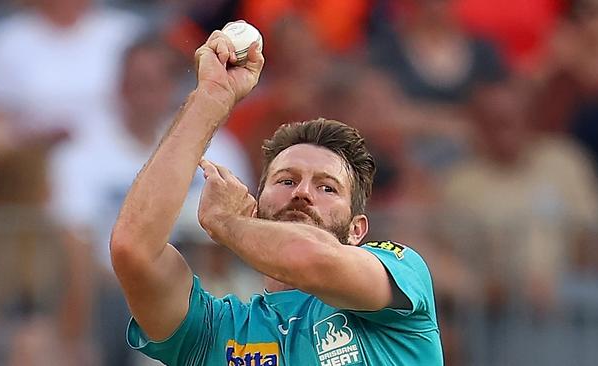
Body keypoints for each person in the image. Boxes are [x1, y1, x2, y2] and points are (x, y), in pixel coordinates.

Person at [110, 21, 443, 366]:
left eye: (327, 187)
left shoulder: (401, 275)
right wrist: (210, 97)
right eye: (286, 181)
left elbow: (309, 259)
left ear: (358, 230)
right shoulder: (215, 329)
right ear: (256, 210)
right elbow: (133, 249)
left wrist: (224, 223)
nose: (302, 192)